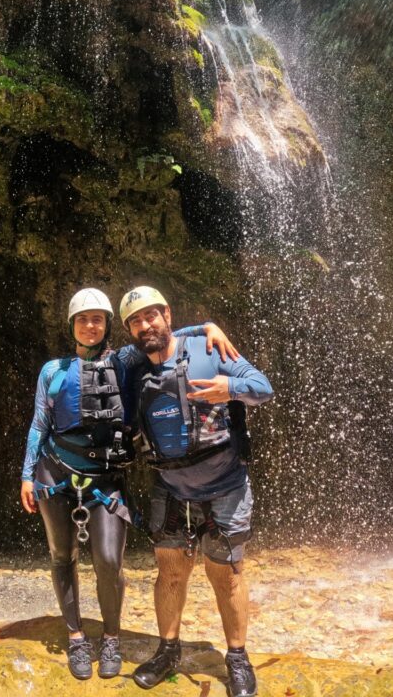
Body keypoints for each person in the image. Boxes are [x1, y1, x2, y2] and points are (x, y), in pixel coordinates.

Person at [20, 288, 238, 681]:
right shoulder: (53, 370)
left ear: (106, 326)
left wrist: (207, 326)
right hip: (54, 475)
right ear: (72, 325)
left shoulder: (123, 361)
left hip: (104, 479)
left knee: (108, 560)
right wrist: (26, 474)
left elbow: (162, 336)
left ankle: (111, 638)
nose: (90, 326)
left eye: (97, 319)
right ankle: (75, 637)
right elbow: (40, 423)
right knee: (61, 556)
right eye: (83, 320)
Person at [121, 286, 273, 697]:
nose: (146, 324)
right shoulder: (133, 368)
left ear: (167, 313)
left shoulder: (209, 348)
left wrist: (231, 388)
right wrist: (203, 322)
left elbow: (263, 387)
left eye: (152, 315)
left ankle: (237, 657)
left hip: (225, 484)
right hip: (170, 487)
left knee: (225, 575)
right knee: (169, 573)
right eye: (136, 320)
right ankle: (168, 650)